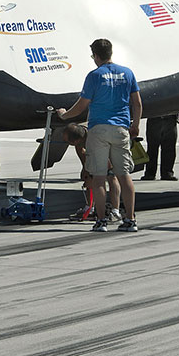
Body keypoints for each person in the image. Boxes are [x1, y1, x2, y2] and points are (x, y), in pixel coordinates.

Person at [57, 38, 142, 232]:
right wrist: (135, 125)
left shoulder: (94, 75)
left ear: (95, 56)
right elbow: (137, 103)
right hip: (121, 129)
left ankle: (102, 220)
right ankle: (130, 219)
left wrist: (65, 116)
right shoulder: (127, 73)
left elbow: (82, 104)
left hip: (99, 130)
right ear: (111, 52)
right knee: (123, 176)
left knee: (99, 178)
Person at [62, 123, 122, 222]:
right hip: (96, 149)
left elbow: (108, 163)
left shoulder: (95, 138)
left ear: (77, 140)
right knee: (90, 178)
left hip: (111, 147)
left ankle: (115, 210)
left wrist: (92, 174)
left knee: (111, 176)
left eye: (68, 142)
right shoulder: (79, 135)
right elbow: (80, 150)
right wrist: (85, 169)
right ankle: (90, 208)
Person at [141, 113, 179, 181]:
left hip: (171, 118)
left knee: (169, 147)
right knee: (152, 148)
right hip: (154, 118)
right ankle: (150, 173)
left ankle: (167, 172)